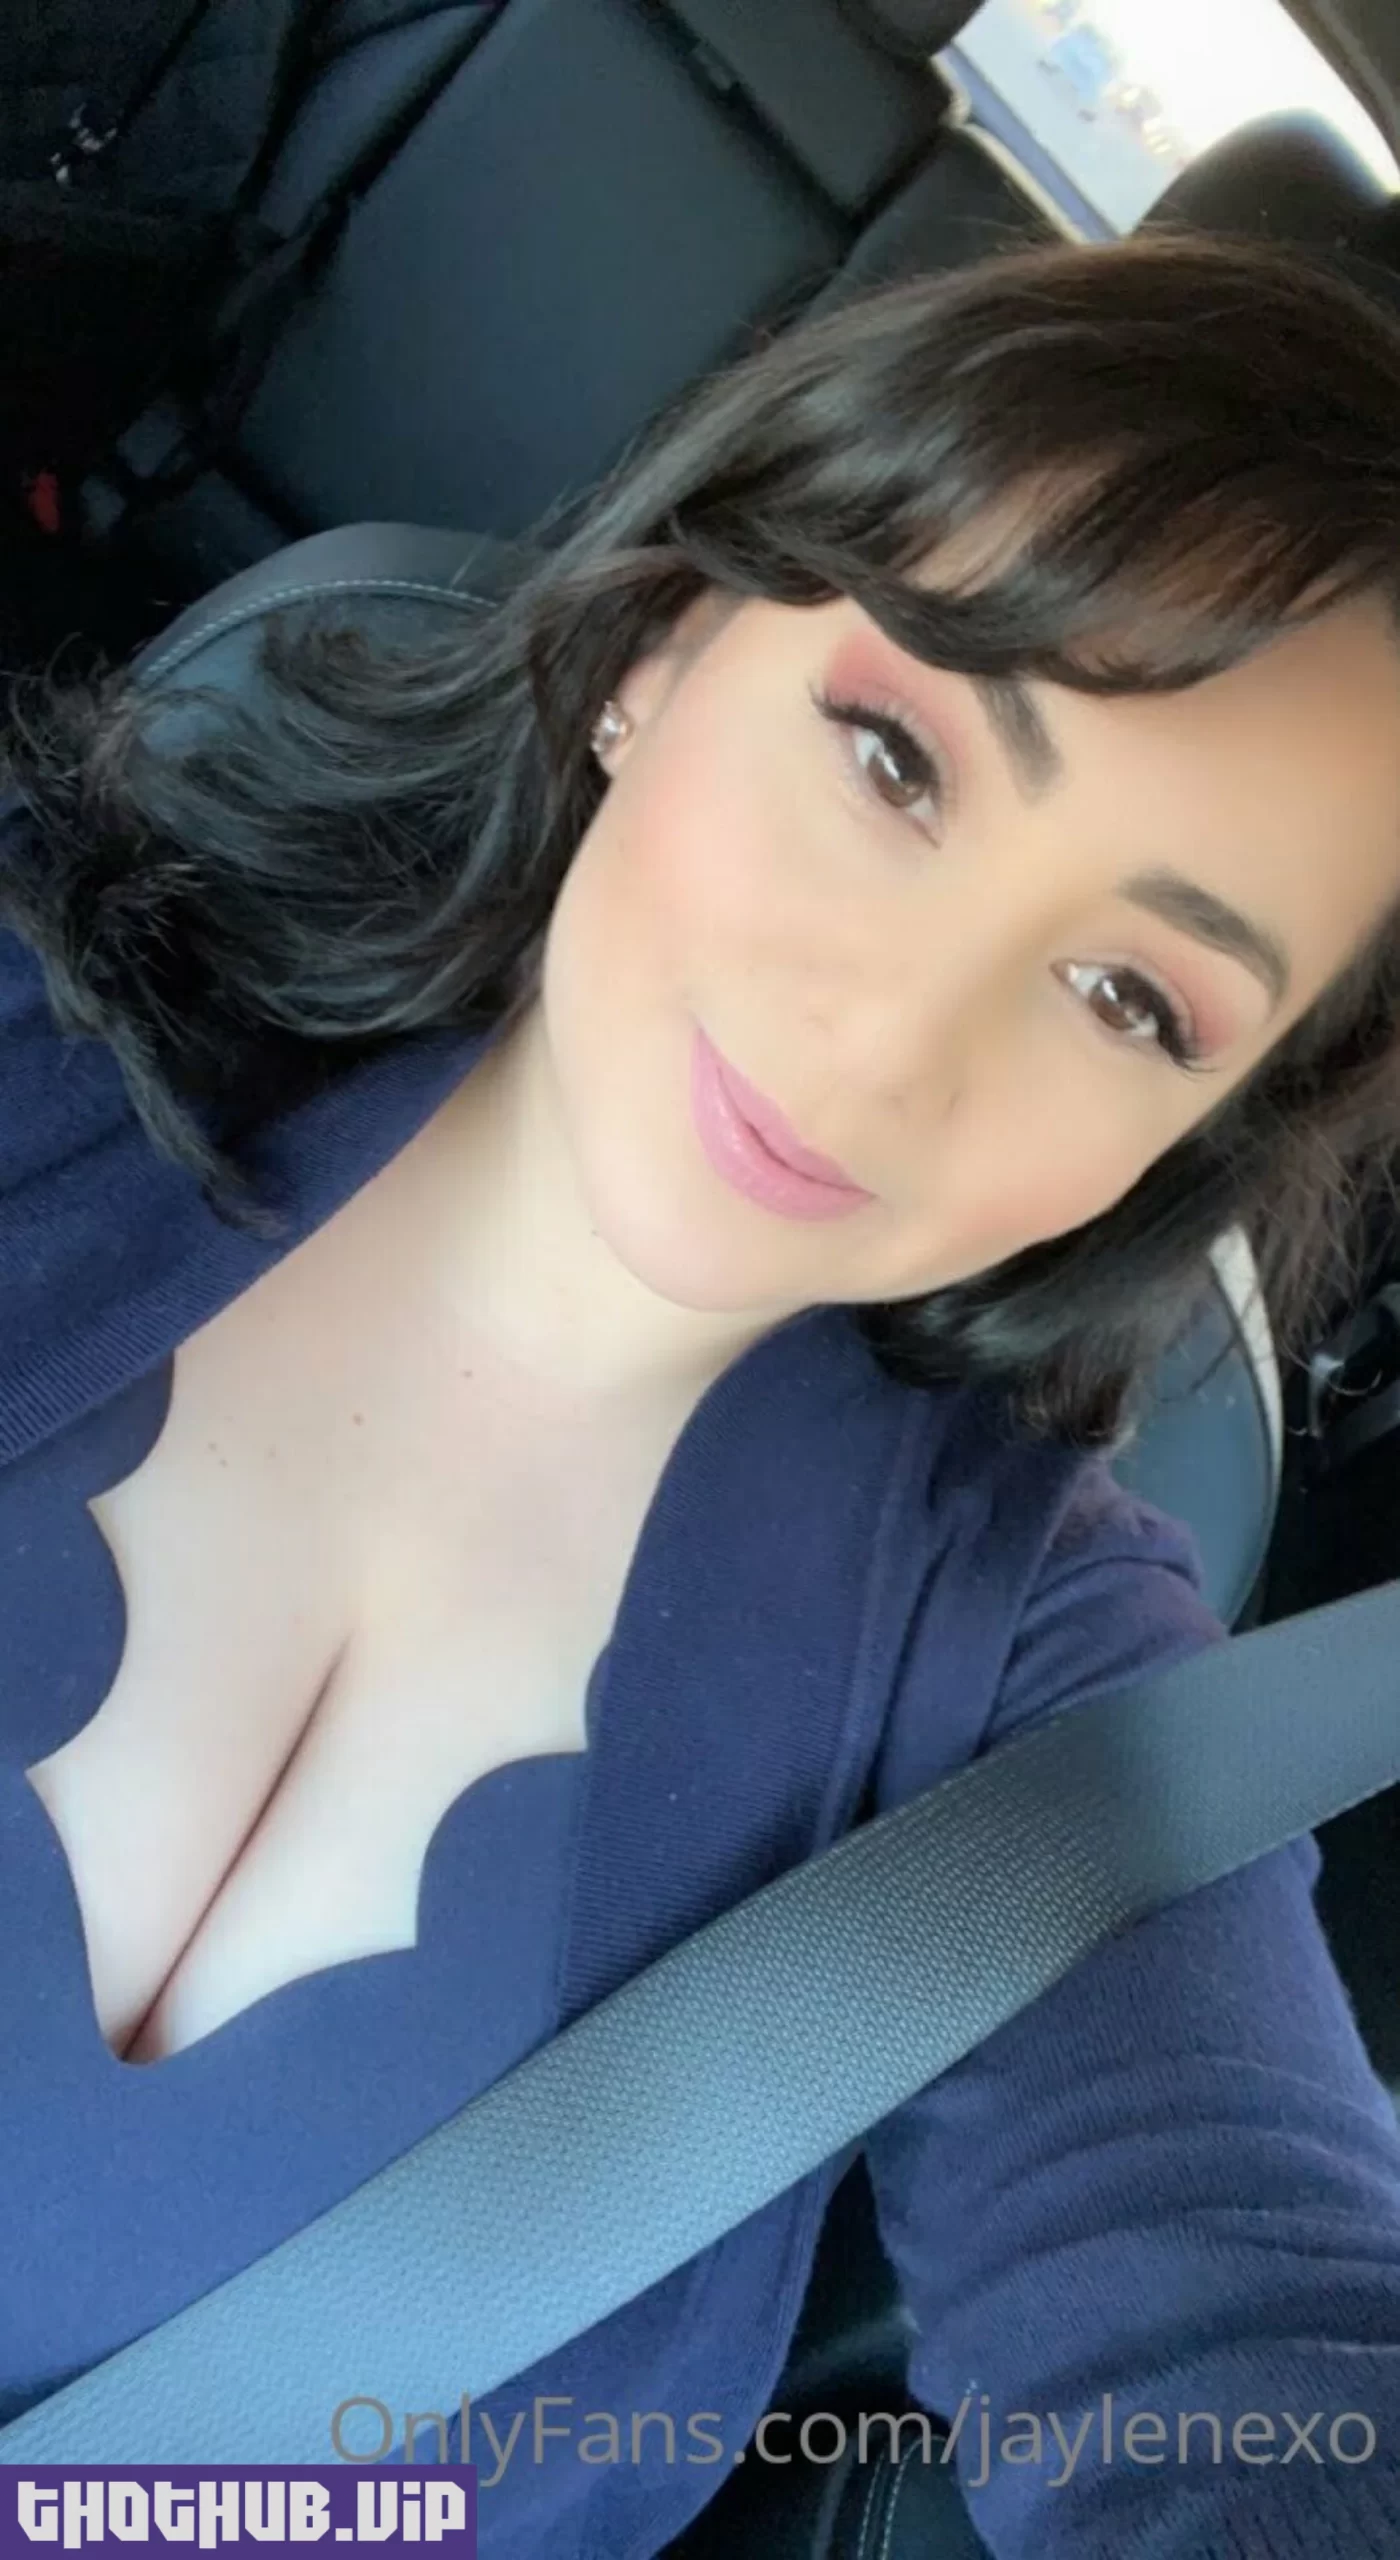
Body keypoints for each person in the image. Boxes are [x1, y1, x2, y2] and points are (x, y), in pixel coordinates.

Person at [4, 228, 1400, 2556]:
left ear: (1194, 1136)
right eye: (895, 757)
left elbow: (1255, 2346)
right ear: (663, 642)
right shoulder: (42, 991)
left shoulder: (1040, 1705)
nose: (884, 1034)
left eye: (1131, 998)